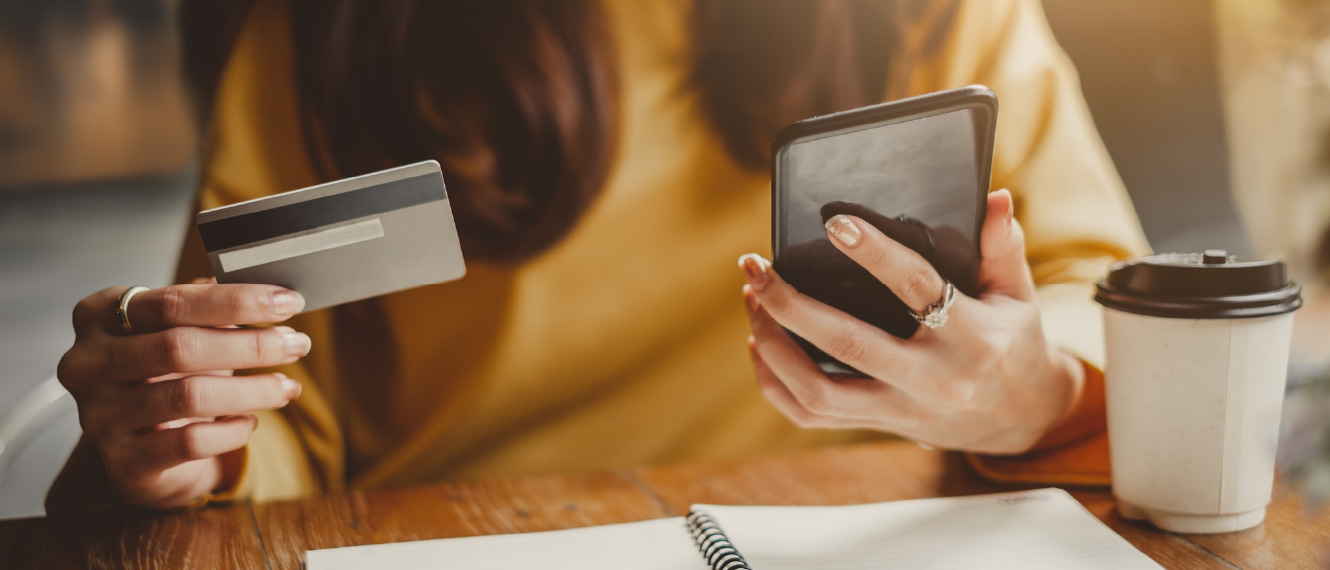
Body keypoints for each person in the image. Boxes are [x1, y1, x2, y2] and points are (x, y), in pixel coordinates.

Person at [49, 0, 1148, 512]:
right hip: (441, 532)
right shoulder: (323, 41)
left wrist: (1033, 396)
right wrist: (201, 443)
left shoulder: (941, 15)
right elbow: (274, 412)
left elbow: (1109, 303)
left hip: (865, 528)